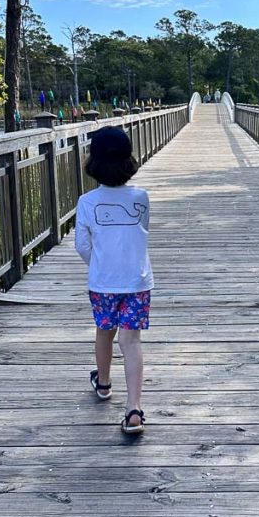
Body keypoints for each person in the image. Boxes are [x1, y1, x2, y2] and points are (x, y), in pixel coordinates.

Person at [74, 126, 153, 434]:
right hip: (137, 282)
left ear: (93, 162)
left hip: (103, 283)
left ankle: (104, 384)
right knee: (131, 341)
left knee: (104, 330)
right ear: (128, 160)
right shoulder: (141, 198)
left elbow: (82, 245)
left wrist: (98, 264)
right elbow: (142, 232)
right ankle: (134, 409)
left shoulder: (86, 202)